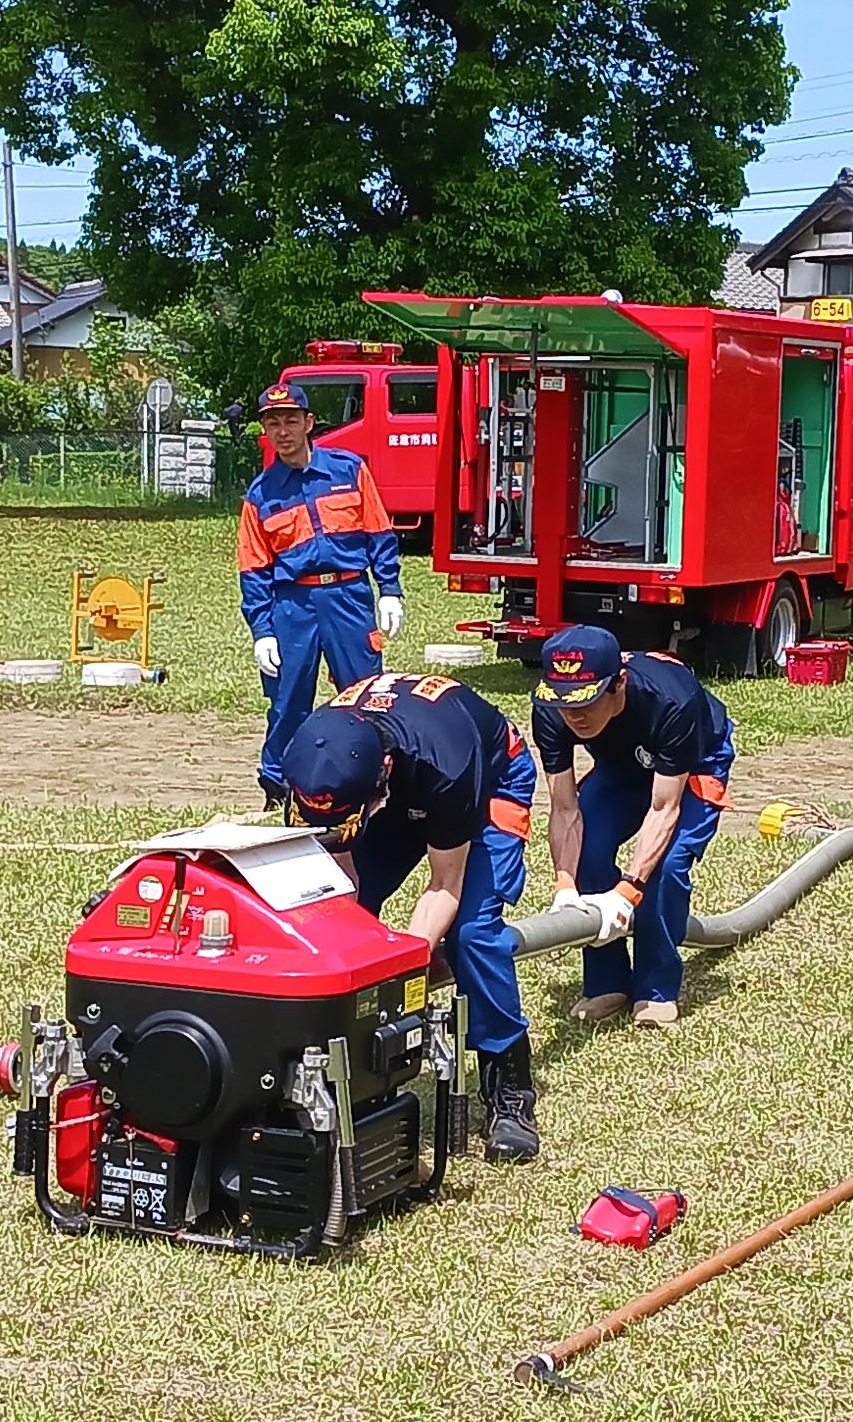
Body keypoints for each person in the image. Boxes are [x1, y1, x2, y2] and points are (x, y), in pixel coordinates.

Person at [282, 674, 540, 1162]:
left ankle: (509, 1094)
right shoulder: (310, 762)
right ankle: (341, 1076)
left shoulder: (448, 762)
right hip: (393, 791)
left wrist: (399, 971)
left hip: (486, 782)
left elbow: (445, 884)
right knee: (332, 912)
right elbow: (336, 873)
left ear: (382, 771)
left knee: (472, 935)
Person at [534, 626, 733, 1029]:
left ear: (619, 683)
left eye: (586, 703)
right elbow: (565, 808)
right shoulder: (552, 709)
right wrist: (565, 886)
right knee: (588, 847)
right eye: (564, 703)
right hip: (622, 766)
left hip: (693, 765)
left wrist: (627, 892)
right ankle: (607, 983)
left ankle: (655, 989)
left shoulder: (671, 701)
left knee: (666, 866)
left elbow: (664, 807)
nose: (574, 716)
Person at [238, 380, 404, 808]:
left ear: (309, 423)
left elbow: (379, 532)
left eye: (291, 420)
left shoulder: (349, 470)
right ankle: (279, 788)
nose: (283, 431)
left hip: (349, 597)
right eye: (273, 423)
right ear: (266, 432)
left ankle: (375, 781)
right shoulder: (260, 495)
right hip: (292, 606)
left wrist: (389, 589)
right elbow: (254, 568)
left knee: (365, 693)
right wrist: (263, 630)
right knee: (288, 701)